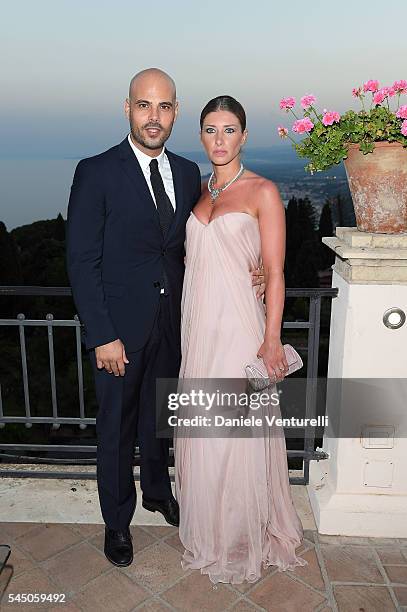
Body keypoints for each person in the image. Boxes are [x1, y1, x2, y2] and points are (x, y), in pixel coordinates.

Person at [66, 70, 264, 568]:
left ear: (175, 112)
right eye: (143, 105)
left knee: (159, 422)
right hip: (119, 333)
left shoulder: (185, 172)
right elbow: (81, 260)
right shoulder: (96, 171)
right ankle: (117, 521)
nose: (153, 117)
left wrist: (252, 270)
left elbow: (201, 242)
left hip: (175, 328)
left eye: (164, 107)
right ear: (127, 108)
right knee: (116, 428)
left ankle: (158, 491)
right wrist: (102, 334)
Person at [174, 95, 307, 584]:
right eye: (210, 130)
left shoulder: (263, 191)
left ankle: (243, 534)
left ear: (245, 136)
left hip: (240, 330)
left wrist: (271, 339)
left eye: (229, 130)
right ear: (202, 135)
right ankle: (210, 528)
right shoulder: (198, 190)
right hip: (199, 328)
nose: (219, 140)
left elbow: (274, 272)